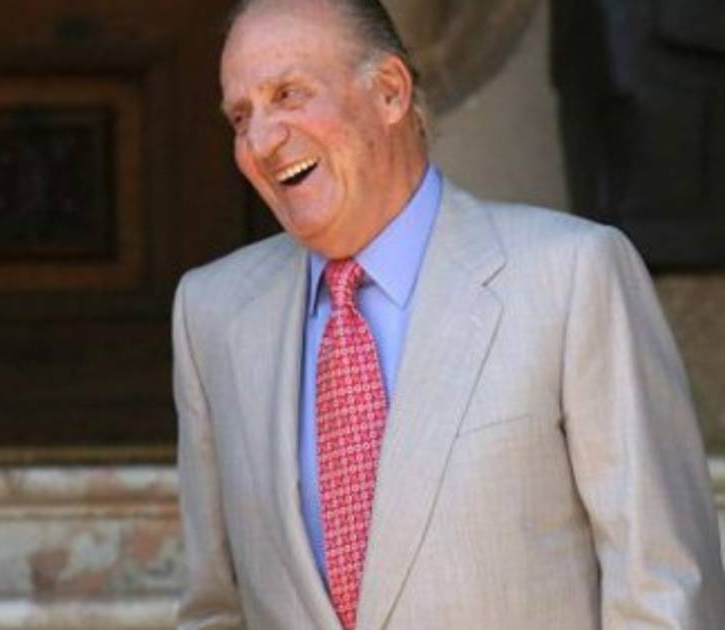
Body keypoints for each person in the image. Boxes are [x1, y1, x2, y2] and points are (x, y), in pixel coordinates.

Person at [173, 0, 725, 628]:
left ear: (389, 91)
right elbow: (214, 608)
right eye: (241, 117)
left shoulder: (571, 276)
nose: (260, 141)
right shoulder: (211, 314)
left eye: (289, 95)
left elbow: (664, 589)